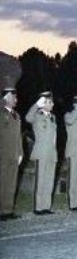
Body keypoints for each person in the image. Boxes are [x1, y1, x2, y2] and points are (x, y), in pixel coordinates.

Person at [25, 92, 57, 215]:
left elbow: (54, 137)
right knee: (41, 180)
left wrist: (55, 151)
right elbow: (28, 118)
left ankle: (46, 206)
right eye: (50, 102)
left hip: (51, 152)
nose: (53, 104)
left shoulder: (53, 117)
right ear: (44, 103)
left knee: (49, 179)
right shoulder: (36, 116)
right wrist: (36, 105)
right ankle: (38, 207)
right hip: (41, 152)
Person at [0, 88, 23, 220]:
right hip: (3, 153)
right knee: (2, 182)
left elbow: (18, 136)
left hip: (14, 154)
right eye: (13, 97)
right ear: (7, 98)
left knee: (11, 182)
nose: (16, 100)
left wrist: (20, 152)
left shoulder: (16, 115)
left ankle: (8, 209)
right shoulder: (1, 113)